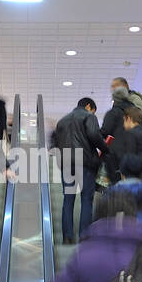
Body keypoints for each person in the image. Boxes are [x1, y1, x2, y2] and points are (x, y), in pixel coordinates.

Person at [51, 97, 108, 243]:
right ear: (89, 106)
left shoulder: (62, 121)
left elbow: (55, 143)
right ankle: (84, 236)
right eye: (94, 111)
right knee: (86, 199)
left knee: (68, 200)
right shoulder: (89, 117)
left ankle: (67, 237)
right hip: (85, 162)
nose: (93, 114)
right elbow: (94, 135)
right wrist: (105, 148)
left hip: (66, 164)